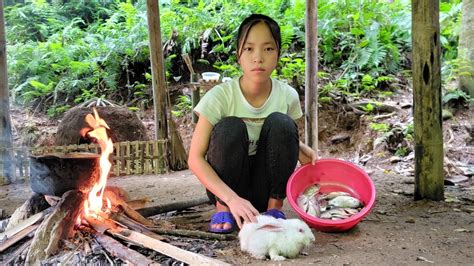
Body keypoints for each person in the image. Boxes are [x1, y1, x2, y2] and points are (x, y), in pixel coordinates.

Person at [188, 14, 317, 234]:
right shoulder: (220, 97)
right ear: (238, 54)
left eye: (268, 49)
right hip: (227, 188)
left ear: (278, 54)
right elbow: (194, 158)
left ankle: (274, 208)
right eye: (249, 49)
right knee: (230, 127)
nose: (258, 57)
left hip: (264, 188)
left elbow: (281, 139)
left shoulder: (287, 95)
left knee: (282, 123)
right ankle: (224, 209)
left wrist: (300, 149)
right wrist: (231, 198)